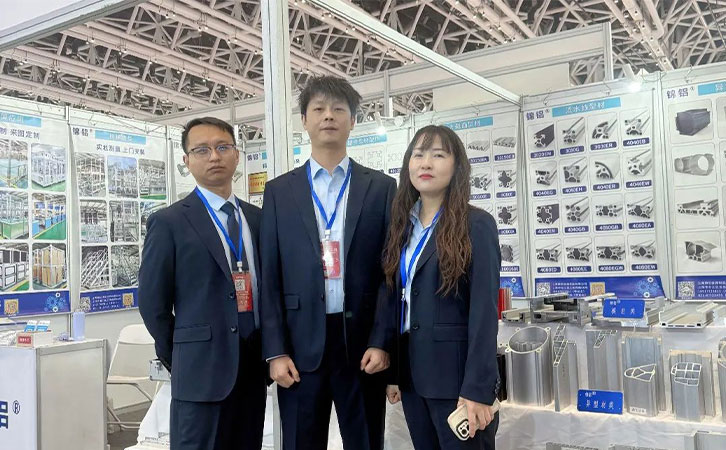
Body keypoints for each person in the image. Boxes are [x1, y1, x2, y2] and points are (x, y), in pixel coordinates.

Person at [259, 75, 396, 450]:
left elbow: (389, 275)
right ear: (304, 121)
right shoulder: (279, 191)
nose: (329, 116)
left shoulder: (381, 188)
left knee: (366, 441)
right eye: (318, 109)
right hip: (299, 347)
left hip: (362, 347)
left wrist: (382, 341)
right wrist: (276, 351)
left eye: (338, 109)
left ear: (353, 121)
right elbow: (270, 276)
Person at [138, 117, 266, 450]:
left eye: (223, 147)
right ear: (187, 160)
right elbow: (152, 304)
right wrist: (182, 354)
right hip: (198, 373)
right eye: (202, 150)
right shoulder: (169, 222)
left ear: (237, 155)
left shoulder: (257, 219)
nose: (214, 156)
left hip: (252, 370)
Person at [382, 125, 501, 450]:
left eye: (438, 155)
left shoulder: (476, 225)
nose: (426, 163)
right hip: (413, 379)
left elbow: (484, 312)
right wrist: (395, 373)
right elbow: (400, 303)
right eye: (418, 155)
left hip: (458, 383)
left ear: (456, 166)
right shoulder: (401, 228)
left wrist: (477, 389)